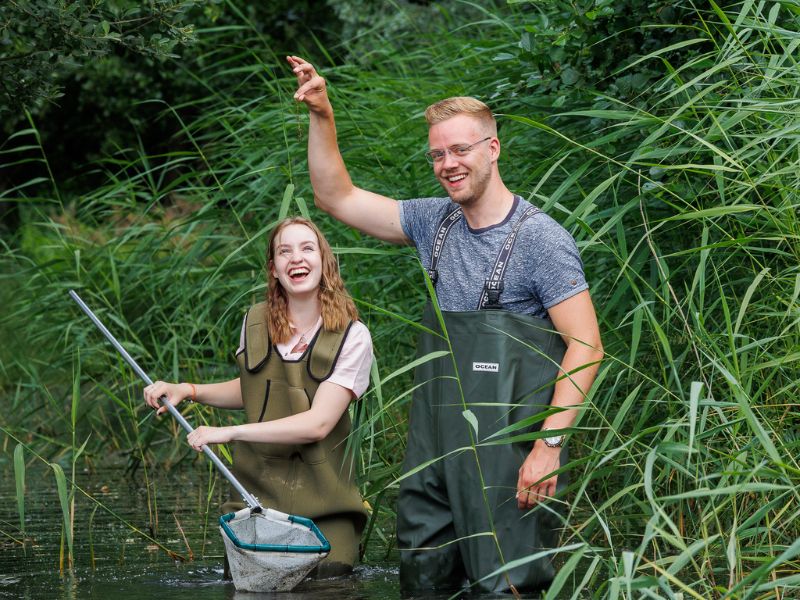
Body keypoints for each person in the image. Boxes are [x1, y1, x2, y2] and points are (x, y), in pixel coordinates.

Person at [288, 55, 604, 594]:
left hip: (510, 452)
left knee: (506, 583)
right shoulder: (434, 221)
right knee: (425, 572)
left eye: (460, 149)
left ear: (492, 149)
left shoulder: (541, 240)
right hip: (435, 448)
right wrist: (322, 112)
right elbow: (334, 197)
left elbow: (586, 346)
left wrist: (548, 448)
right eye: (438, 154)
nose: (448, 163)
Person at [143, 216, 372, 578]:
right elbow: (253, 389)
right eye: (285, 251)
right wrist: (188, 390)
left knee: (330, 588)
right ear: (274, 269)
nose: (296, 258)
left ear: (325, 263)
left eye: (307, 248)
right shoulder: (255, 322)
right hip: (255, 506)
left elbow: (318, 423)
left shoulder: (352, 335)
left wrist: (229, 432)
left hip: (327, 509)